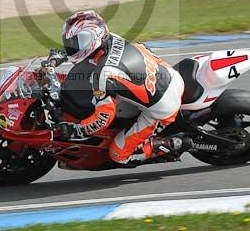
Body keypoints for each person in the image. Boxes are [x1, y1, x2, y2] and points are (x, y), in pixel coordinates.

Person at [52, 10, 187, 165]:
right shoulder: (111, 38)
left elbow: (102, 120)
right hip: (165, 73)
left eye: (79, 41)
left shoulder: (103, 74)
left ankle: (172, 144)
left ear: (95, 38)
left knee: (117, 154)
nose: (74, 47)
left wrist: (75, 130)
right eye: (71, 42)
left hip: (163, 106)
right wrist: (61, 56)